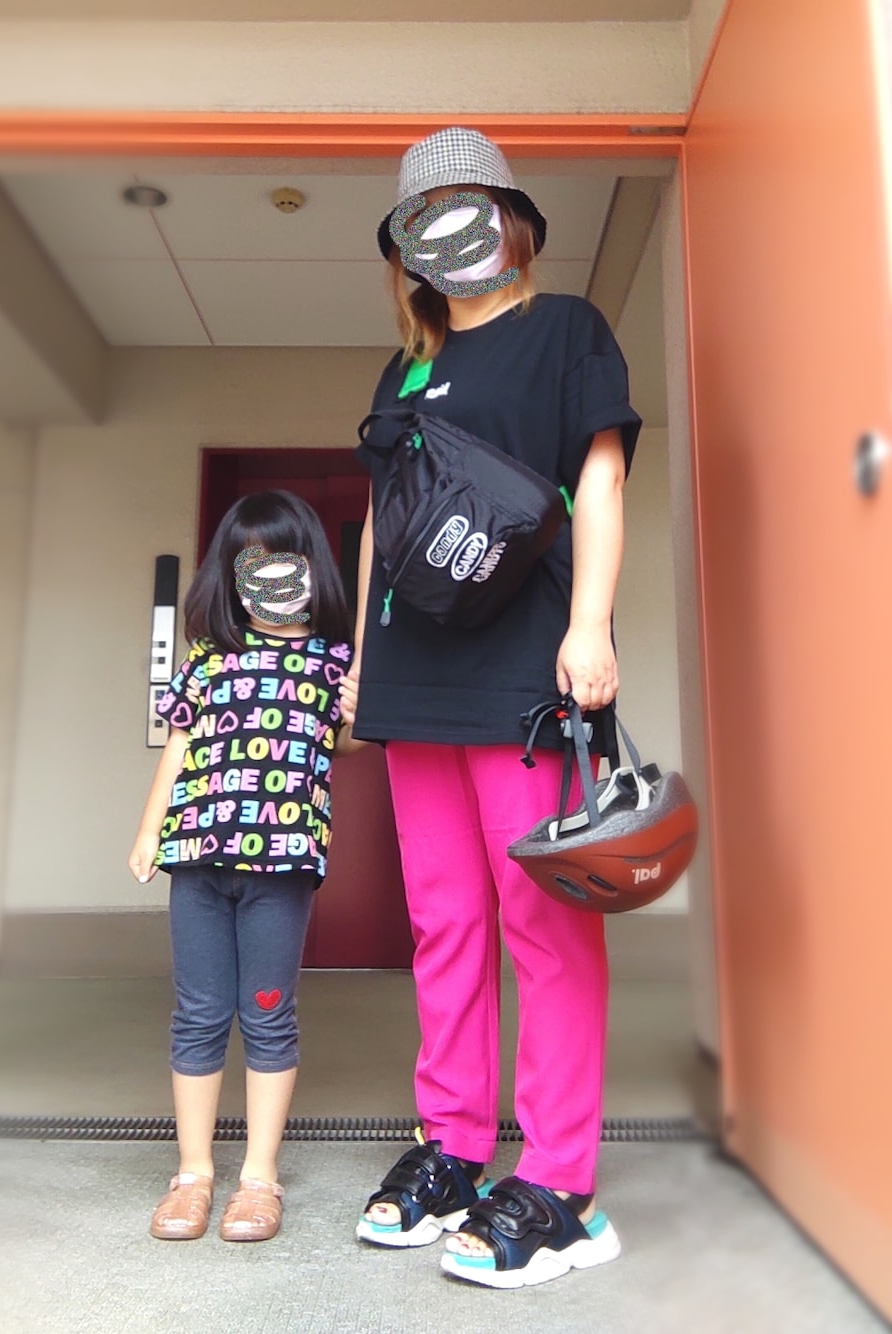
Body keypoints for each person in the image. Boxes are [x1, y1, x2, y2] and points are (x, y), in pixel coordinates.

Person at [339, 127, 642, 1289]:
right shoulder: (404, 368)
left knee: (542, 922)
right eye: (426, 218)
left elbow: (599, 474)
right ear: (408, 249)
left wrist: (589, 623)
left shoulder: (566, 330)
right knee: (445, 920)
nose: (450, 233)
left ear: (511, 220)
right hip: (414, 674)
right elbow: (385, 519)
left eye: (469, 207)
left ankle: (562, 1183)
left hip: (525, 671)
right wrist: (362, 655)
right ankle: (456, 1144)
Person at [129, 489, 364, 1244]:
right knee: (198, 1013)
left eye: (284, 562)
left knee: (268, 1013)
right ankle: (193, 1173)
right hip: (197, 860)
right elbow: (179, 747)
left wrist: (360, 710)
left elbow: (347, 742)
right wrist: (149, 831)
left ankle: (259, 1177)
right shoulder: (207, 660)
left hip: (282, 867)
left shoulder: (331, 661)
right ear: (230, 576)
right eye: (252, 563)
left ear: (312, 571)